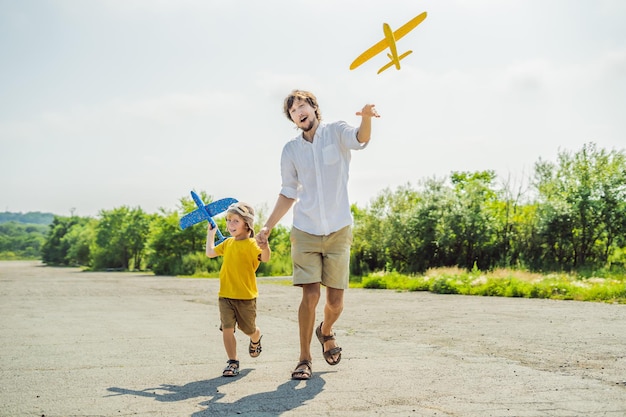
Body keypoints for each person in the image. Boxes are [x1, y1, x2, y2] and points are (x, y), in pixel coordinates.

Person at [255, 90, 379, 380]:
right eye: (293, 110)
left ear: (314, 108)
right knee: (310, 295)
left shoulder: (336, 132)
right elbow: (288, 191)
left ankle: (325, 330)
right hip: (305, 230)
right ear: (292, 119)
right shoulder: (291, 150)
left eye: (303, 105)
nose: (299, 111)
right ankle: (304, 358)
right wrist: (268, 225)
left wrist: (367, 117)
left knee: (335, 302)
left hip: (338, 228)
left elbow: (360, 139)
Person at [206, 201, 271, 377]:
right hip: (225, 295)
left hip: (246, 297)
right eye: (228, 220)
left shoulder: (252, 244)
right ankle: (232, 362)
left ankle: (256, 339)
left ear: (247, 224)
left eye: (235, 221)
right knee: (227, 328)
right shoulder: (228, 243)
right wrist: (210, 234)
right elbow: (210, 252)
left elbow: (264, 258)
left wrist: (265, 246)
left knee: (249, 329)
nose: (230, 225)